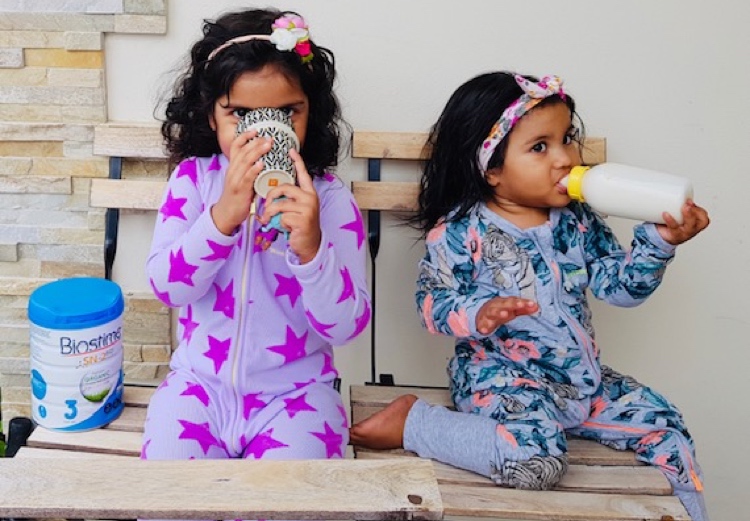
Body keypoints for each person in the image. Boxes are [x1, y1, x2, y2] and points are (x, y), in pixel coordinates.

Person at [350, 72, 710, 521]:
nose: (564, 158)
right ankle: (415, 423)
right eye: (540, 147)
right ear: (492, 169)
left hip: (582, 382)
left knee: (668, 427)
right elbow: (431, 303)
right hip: (503, 380)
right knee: (536, 460)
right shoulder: (461, 232)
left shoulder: (579, 220)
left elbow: (618, 288)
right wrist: (478, 312)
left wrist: (659, 243)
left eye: (567, 138)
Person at [144, 8, 370, 468]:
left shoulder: (328, 200)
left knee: (294, 497)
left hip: (297, 396)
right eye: (240, 114)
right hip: (198, 388)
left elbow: (346, 327)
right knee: (165, 493)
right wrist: (220, 218)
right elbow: (168, 288)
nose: (264, 133)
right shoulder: (193, 182)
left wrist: (311, 249)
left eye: (286, 112)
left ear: (310, 112)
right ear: (211, 115)